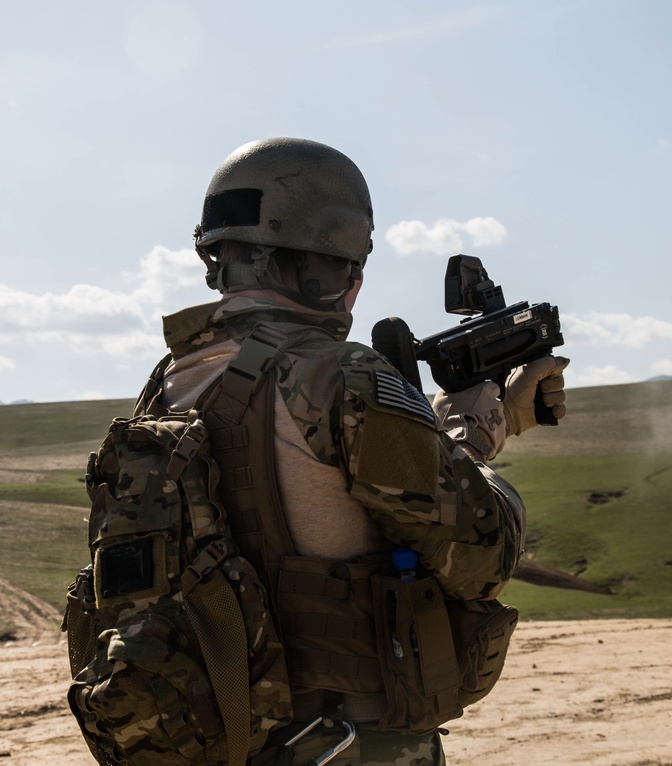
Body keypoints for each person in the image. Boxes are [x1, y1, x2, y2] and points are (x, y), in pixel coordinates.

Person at [154, 137, 569, 765]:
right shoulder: (338, 377)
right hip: (341, 743)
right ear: (331, 260)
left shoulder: (169, 383)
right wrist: (489, 427)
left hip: (227, 743)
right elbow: (480, 554)